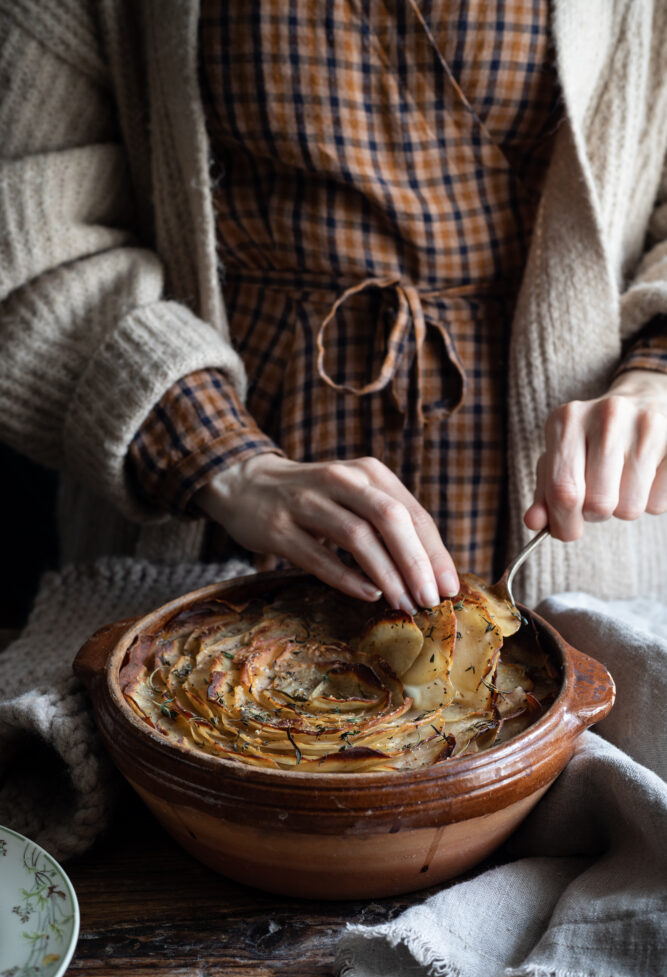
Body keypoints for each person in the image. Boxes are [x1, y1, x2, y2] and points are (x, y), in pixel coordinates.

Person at [0, 0, 665, 612]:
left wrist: (655, 371)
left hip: (561, 512)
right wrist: (219, 459)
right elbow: (28, 238)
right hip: (205, 501)